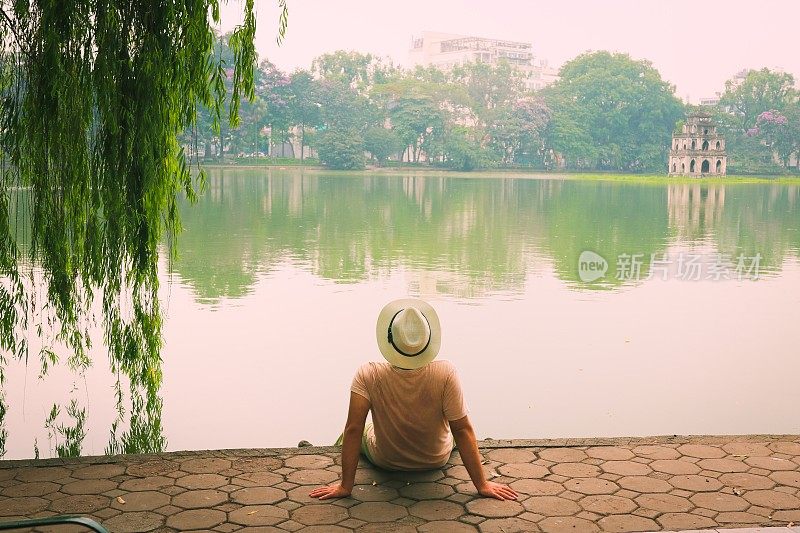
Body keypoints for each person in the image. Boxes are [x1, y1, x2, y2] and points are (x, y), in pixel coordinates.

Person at [310, 298, 518, 501]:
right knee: (454, 430)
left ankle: (334, 448)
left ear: (390, 339)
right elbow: (462, 429)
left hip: (386, 459)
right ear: (427, 341)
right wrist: (482, 485)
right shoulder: (446, 373)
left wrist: (345, 486)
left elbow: (353, 429)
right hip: (436, 458)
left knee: (358, 431)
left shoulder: (368, 374)